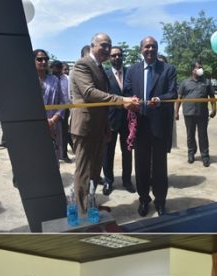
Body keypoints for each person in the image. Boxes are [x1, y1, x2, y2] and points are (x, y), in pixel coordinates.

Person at [70, 33, 139, 211]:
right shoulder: (83, 64)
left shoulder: (99, 67)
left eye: (109, 46)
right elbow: (89, 93)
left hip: (99, 127)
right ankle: (82, 210)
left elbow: (102, 105)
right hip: (84, 127)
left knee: (94, 171)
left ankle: (91, 205)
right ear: (92, 45)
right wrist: (122, 100)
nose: (107, 49)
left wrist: (106, 126)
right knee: (84, 171)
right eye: (103, 45)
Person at [125, 36, 177, 217]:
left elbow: (173, 92)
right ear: (141, 49)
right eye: (147, 46)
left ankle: (160, 201)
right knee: (141, 166)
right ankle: (144, 199)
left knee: (160, 167)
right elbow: (127, 90)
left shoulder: (168, 69)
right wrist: (132, 99)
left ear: (157, 49)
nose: (150, 49)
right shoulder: (132, 70)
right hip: (139, 126)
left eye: (153, 46)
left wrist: (159, 99)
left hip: (158, 125)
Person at [103, 46, 135, 196]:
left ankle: (127, 180)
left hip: (128, 121)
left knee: (127, 152)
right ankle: (108, 181)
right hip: (110, 120)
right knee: (107, 153)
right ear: (109, 58)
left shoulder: (131, 73)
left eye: (119, 55)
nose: (116, 58)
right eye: (113, 55)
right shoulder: (104, 74)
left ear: (123, 57)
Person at [176, 62, 216, 167]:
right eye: (198, 67)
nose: (201, 69)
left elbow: (212, 96)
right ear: (193, 70)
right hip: (188, 113)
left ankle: (205, 156)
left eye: (201, 67)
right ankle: (191, 153)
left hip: (202, 113)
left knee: (203, 135)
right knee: (190, 135)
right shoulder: (185, 83)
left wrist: (214, 109)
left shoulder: (206, 82)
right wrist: (176, 112)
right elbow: (179, 98)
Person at [34, 50, 65, 164]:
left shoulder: (54, 80)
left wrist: (53, 120)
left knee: (53, 157)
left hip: (53, 126)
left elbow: (62, 102)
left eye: (46, 59)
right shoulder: (27, 80)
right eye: (39, 59)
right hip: (34, 126)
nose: (43, 61)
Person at [50, 60, 73, 163]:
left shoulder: (67, 79)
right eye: (54, 72)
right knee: (52, 132)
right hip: (51, 110)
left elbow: (69, 93)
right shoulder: (50, 79)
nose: (56, 74)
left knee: (63, 133)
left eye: (58, 71)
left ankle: (64, 155)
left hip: (64, 109)